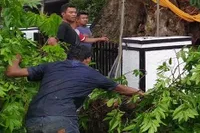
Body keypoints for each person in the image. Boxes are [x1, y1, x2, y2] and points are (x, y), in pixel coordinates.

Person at [5, 45, 143, 133]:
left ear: (68, 56)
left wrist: (16, 57)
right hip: (61, 120)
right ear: (88, 59)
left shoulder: (50, 66)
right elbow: (120, 89)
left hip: (33, 120)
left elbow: (11, 72)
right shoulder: (91, 73)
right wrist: (143, 93)